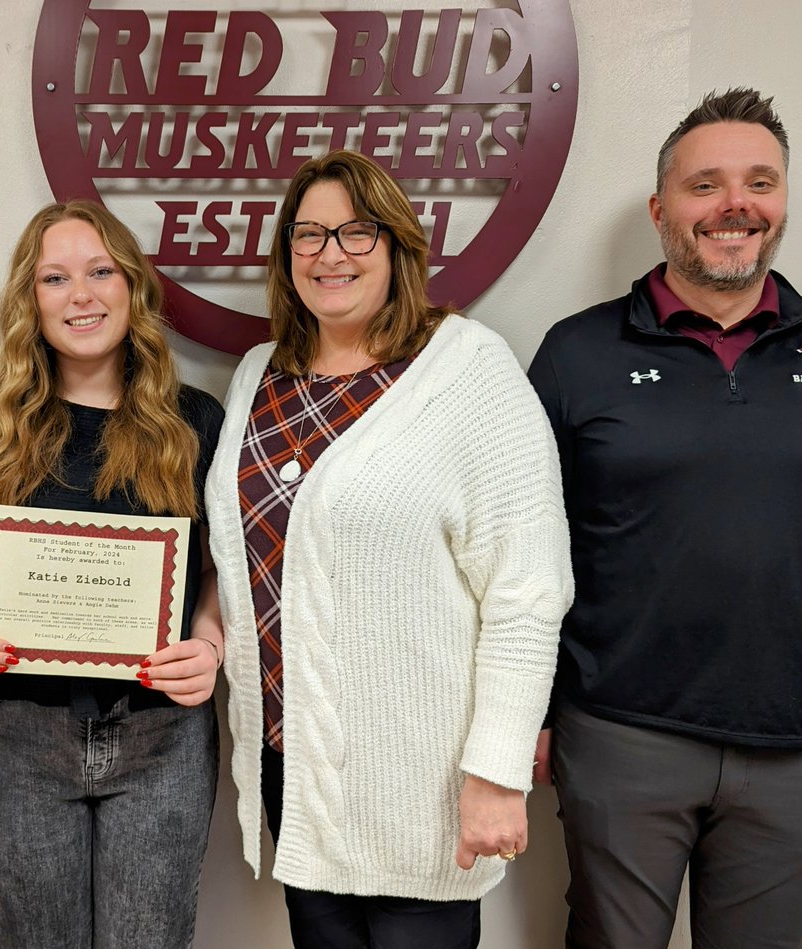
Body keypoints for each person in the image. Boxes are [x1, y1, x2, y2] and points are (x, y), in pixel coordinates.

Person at [204, 149, 573, 948]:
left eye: (356, 231)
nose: (329, 253)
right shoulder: (259, 375)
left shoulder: (469, 370)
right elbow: (241, 563)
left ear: (399, 243)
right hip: (296, 770)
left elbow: (527, 591)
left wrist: (497, 770)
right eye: (308, 234)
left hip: (424, 786)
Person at [528, 87, 802, 949]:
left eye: (760, 182)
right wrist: (527, 714)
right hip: (619, 733)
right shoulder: (577, 353)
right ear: (660, 209)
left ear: (782, 202)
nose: (735, 205)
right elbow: (526, 556)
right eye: (705, 185)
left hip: (801, 746)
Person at [0, 200, 224, 949]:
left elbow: (217, 570)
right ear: (30, 298)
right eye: (55, 278)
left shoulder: (194, 421)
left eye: (100, 271)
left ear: (133, 287)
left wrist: (210, 642)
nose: (80, 295)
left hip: (161, 732)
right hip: (18, 733)